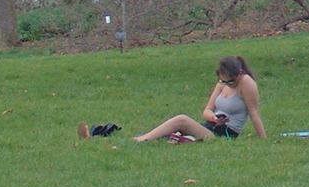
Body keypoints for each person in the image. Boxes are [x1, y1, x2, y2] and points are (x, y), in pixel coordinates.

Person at [80, 55, 268, 143]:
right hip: (211, 126)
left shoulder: (246, 84)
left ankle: (139, 140)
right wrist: (213, 118)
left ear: (238, 74)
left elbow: (254, 114)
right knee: (167, 135)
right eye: (223, 81)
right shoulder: (223, 82)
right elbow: (207, 110)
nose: (226, 85)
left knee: (181, 120)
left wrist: (263, 140)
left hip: (225, 134)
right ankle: (98, 136)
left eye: (230, 82)